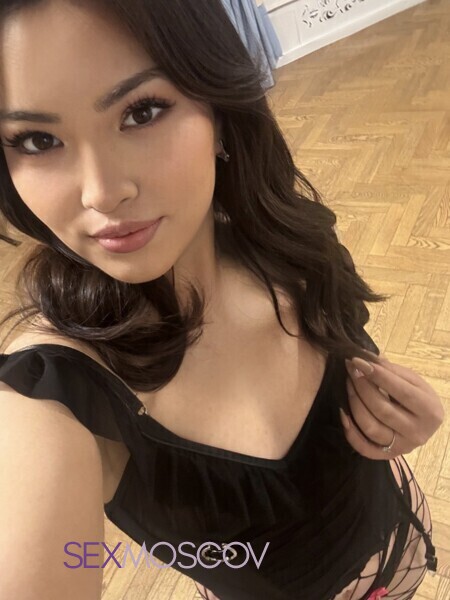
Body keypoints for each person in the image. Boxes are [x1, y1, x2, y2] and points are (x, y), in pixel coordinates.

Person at [0, 1, 444, 599]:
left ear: (219, 108)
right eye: (38, 140)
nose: (102, 193)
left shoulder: (292, 245)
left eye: (141, 111)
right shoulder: (55, 401)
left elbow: (358, 380)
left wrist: (402, 424)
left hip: (403, 536)